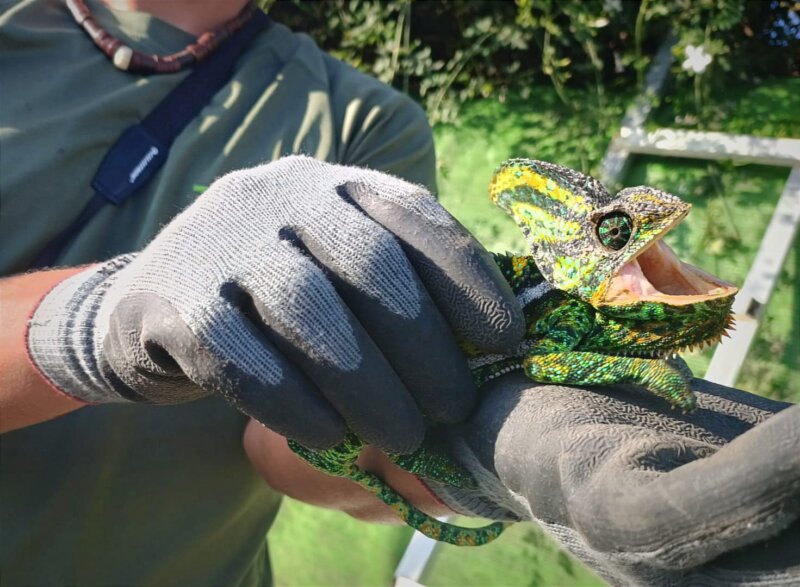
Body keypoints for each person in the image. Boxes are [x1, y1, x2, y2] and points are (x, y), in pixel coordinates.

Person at [2, 2, 799, 587]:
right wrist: (93, 321)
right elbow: (552, 351)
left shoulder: (364, 118)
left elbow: (293, 438)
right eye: (616, 235)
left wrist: (474, 461)